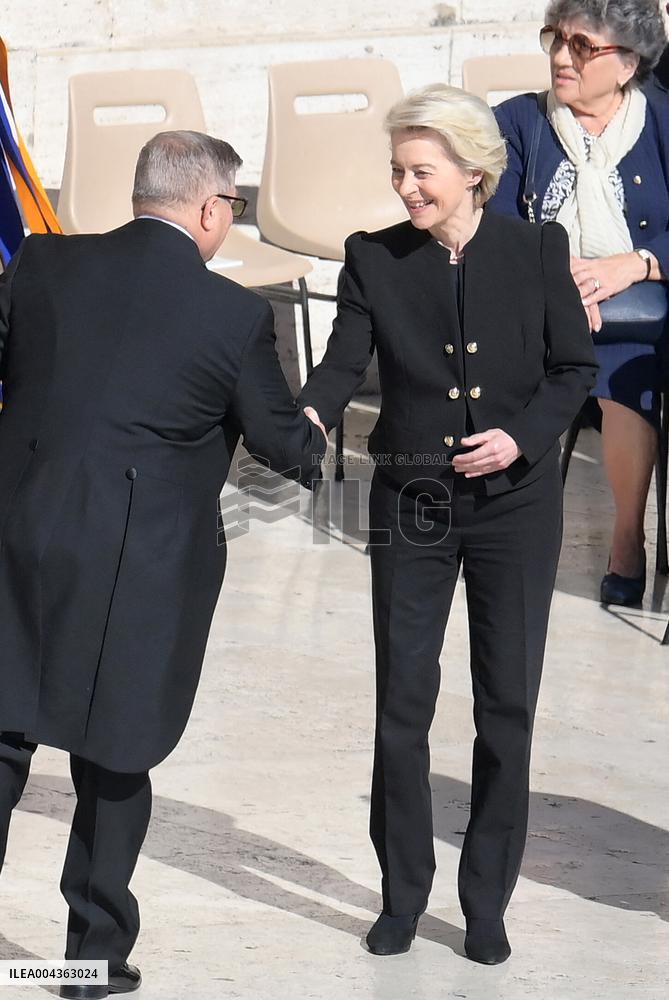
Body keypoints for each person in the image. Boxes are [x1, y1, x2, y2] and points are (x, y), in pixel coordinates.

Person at [0, 130, 326, 999]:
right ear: (213, 209)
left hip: (21, 535)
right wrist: (317, 436)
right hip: (136, 567)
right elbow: (280, 440)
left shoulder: (39, 264)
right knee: (115, 757)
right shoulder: (232, 313)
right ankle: (87, 965)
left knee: (1, 735)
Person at [299, 84, 597, 964]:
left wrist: (523, 439)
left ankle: (485, 904)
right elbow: (339, 363)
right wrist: (305, 417)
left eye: (421, 171)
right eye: (397, 170)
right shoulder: (372, 256)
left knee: (506, 705)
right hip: (411, 501)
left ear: (473, 173)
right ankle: (401, 897)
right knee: (403, 703)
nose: (405, 188)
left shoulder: (537, 248)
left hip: (516, 509)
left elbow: (571, 368)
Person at [489, 0, 669, 606]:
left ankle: (626, 537)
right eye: (557, 39)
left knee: (624, 368)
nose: (562, 57)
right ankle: (501, 533)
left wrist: (637, 262)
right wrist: (555, 271)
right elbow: (493, 219)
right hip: (537, 301)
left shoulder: (666, 121)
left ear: (627, 63)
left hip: (640, 311)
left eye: (583, 47)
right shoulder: (517, 122)